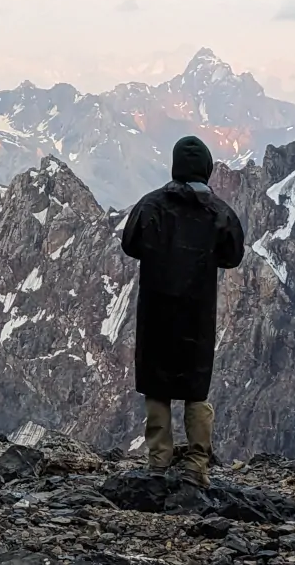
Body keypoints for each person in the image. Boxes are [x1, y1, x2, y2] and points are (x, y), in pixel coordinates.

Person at [120, 135, 245, 488]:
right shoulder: (218, 212)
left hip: (157, 309)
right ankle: (196, 465)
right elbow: (233, 256)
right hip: (197, 313)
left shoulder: (152, 205)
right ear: (205, 169)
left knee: (157, 385)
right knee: (195, 388)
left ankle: (158, 461)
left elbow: (130, 244)